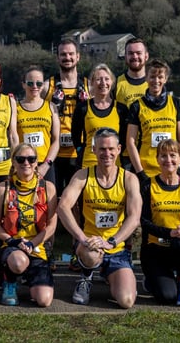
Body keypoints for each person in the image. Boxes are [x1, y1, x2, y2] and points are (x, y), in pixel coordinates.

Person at [57, 128, 141, 308]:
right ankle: (86, 277)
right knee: (91, 254)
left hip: (115, 246)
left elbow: (134, 217)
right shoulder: (82, 175)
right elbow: (63, 207)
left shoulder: (129, 178)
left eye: (111, 149)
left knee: (126, 301)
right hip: (90, 245)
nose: (107, 153)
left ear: (119, 149)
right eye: (102, 149)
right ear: (94, 150)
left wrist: (111, 241)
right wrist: (82, 238)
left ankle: (110, 274)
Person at [0, 143, 58, 307]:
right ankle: (9, 279)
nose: (26, 163)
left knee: (44, 300)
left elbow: (52, 224)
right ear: (13, 162)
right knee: (18, 262)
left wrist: (32, 243)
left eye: (31, 159)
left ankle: (30, 276)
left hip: (37, 246)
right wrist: (12, 241)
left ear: (36, 162)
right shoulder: (2, 188)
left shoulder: (48, 187)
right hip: (11, 245)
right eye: (21, 159)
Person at [140, 139, 180, 306]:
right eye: (163, 156)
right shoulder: (147, 186)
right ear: (157, 159)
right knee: (167, 297)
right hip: (154, 250)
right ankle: (152, 279)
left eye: (173, 155)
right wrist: (169, 233)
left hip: (179, 248)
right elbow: (143, 222)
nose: (168, 160)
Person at [126, 58, 180, 178]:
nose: (156, 81)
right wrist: (140, 172)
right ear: (146, 78)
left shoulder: (175, 103)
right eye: (152, 76)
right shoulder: (137, 106)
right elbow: (130, 141)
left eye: (160, 77)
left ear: (166, 79)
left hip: (171, 169)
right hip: (146, 170)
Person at [43, 38, 89, 196]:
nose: (67, 57)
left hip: (79, 154)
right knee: (53, 199)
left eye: (71, 54)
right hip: (54, 154)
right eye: (63, 54)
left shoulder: (89, 86)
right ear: (57, 58)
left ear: (78, 56)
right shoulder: (46, 87)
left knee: (77, 199)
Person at [72, 64, 128, 169]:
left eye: (107, 79)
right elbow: (75, 135)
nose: (103, 83)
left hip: (114, 165)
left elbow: (124, 139)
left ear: (112, 82)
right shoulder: (82, 108)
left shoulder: (121, 109)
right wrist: (81, 151)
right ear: (92, 82)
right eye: (98, 79)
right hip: (88, 164)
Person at [16, 65, 60, 182]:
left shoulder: (51, 107)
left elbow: (56, 140)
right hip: (22, 164)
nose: (35, 87)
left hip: (45, 165)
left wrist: (46, 165)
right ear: (23, 84)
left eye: (39, 83)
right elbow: (11, 138)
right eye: (30, 83)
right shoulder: (15, 108)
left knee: (49, 199)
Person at [115, 37, 149, 169]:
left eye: (138, 53)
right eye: (130, 53)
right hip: (124, 154)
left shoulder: (155, 83)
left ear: (146, 56)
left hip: (151, 153)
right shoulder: (116, 83)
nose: (135, 56)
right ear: (125, 57)